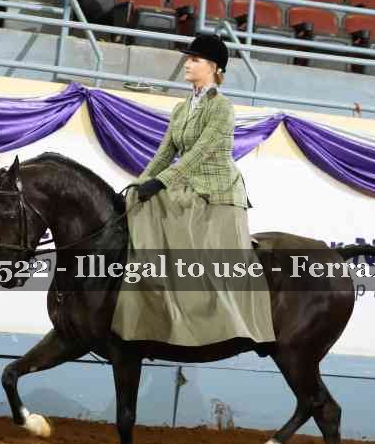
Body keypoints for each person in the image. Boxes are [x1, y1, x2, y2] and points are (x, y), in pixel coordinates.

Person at [110, 34, 276, 347]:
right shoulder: (181, 109)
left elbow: (199, 153)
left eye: (194, 59)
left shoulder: (222, 108)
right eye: (188, 58)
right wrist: (139, 183)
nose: (187, 64)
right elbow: (164, 153)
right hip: (188, 184)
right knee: (139, 200)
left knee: (162, 204)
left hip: (217, 191)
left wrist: (160, 182)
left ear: (213, 67)